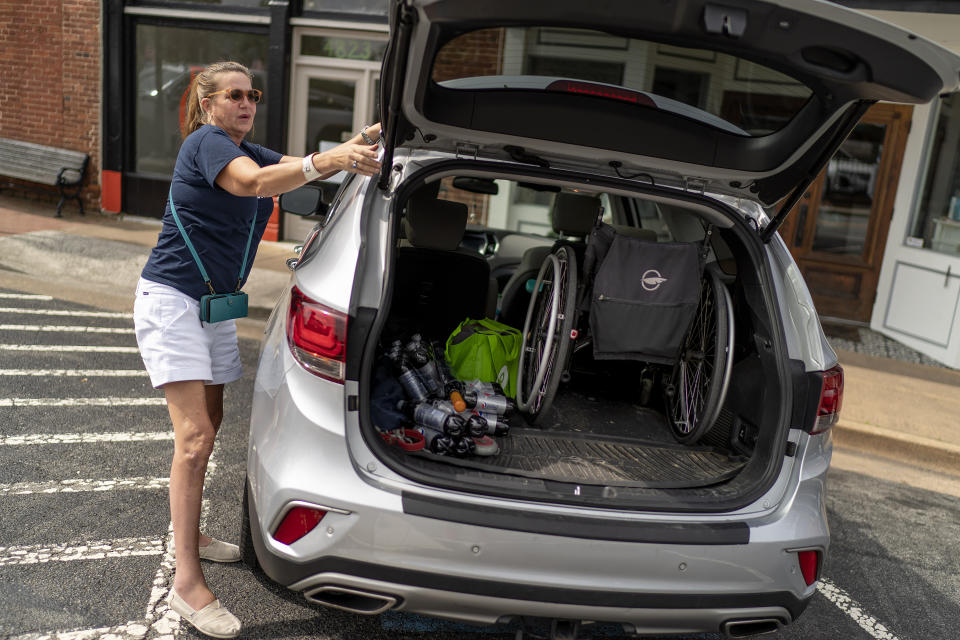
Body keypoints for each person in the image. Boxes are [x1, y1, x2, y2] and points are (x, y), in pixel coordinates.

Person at [133, 60, 382, 639]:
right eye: (235, 95)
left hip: (214, 305)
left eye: (253, 95)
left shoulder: (248, 146)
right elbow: (252, 184)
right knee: (194, 440)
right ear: (208, 103)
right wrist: (332, 159)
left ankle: (188, 534)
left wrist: (363, 141)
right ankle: (188, 583)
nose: (247, 103)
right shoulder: (207, 145)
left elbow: (294, 172)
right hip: (172, 300)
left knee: (211, 424)